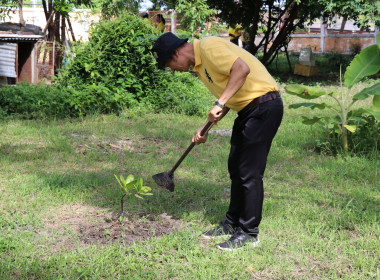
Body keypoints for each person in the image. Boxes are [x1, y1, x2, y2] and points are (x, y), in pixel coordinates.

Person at [152, 32, 283, 251]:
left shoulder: (208, 47)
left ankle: (249, 233)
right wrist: (205, 127)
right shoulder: (200, 67)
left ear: (176, 53)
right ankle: (232, 224)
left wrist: (220, 103)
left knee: (249, 172)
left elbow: (241, 70)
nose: (173, 71)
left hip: (264, 106)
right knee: (236, 168)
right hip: (248, 110)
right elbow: (229, 94)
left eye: (170, 65)